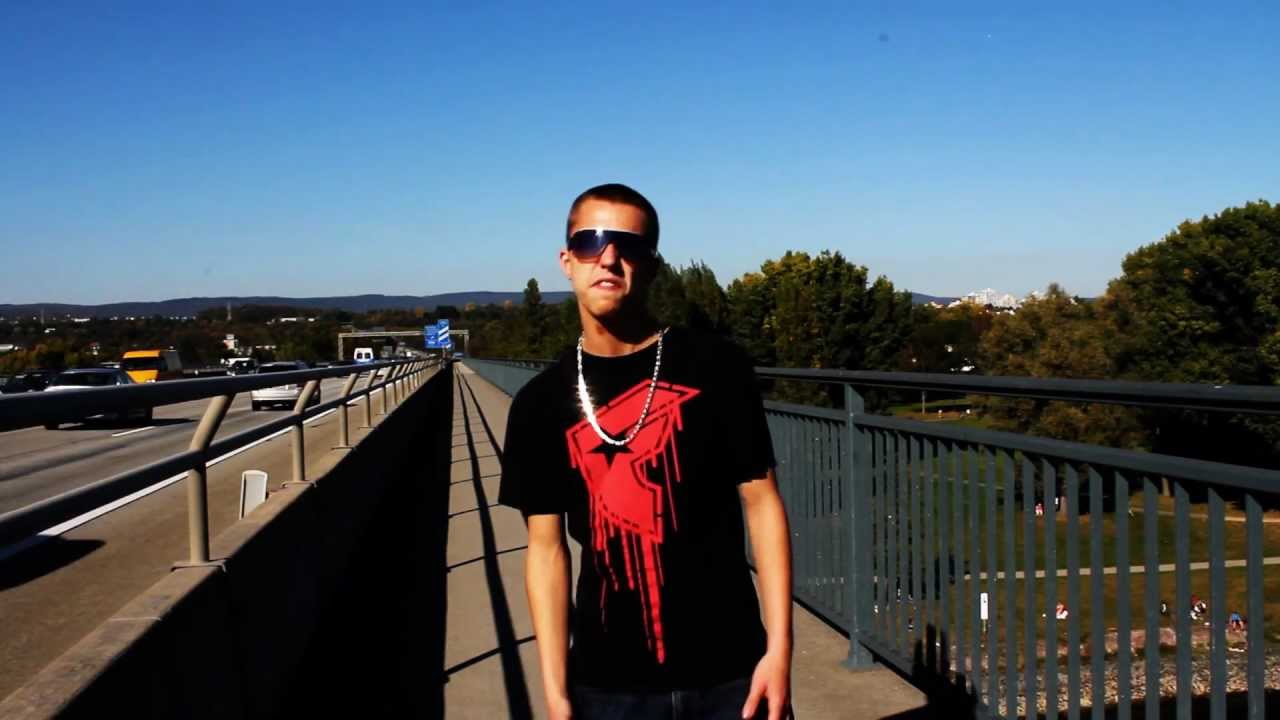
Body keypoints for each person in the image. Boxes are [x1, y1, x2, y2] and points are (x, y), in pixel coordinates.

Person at [498, 183, 794, 720]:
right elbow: (545, 551)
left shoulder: (716, 366)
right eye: (589, 241)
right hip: (607, 685)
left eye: (628, 245)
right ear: (567, 261)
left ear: (652, 266)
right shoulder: (539, 404)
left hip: (733, 672)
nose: (608, 257)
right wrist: (557, 693)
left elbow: (763, 503)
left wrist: (779, 651)